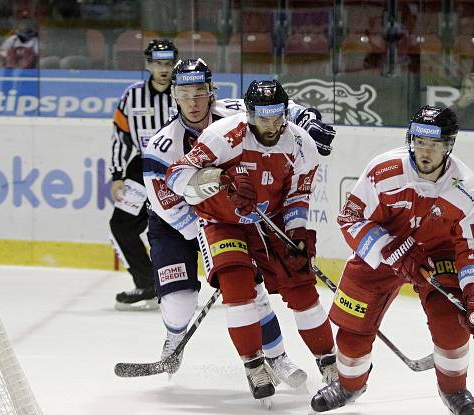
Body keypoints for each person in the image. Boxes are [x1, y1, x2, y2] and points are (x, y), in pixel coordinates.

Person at [143, 59, 335, 383]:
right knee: (181, 300)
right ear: (173, 94)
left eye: (200, 91)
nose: (194, 101)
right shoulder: (162, 144)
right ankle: (173, 343)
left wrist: (311, 120)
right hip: (178, 220)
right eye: (185, 93)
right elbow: (172, 202)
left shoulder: (240, 110)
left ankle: (278, 358)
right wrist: (220, 205)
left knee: (255, 290)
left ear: (211, 91)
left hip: (243, 213)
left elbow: (283, 110)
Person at [311, 105, 474, 415]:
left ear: (449, 145)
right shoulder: (384, 171)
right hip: (382, 252)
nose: (425, 152)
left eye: (434, 145)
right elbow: (351, 219)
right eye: (420, 142)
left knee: (452, 324)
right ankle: (349, 385)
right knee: (352, 334)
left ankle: (454, 390)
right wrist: (389, 250)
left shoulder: (468, 188)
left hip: (437, 257)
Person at [109, 39, 179, 310]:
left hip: (177, 169)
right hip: (141, 169)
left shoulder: (185, 91)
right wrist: (117, 175)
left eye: (169, 63)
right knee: (121, 225)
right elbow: (120, 137)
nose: (164, 69)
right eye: (158, 63)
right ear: (148, 64)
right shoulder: (131, 96)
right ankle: (149, 284)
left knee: (185, 227)